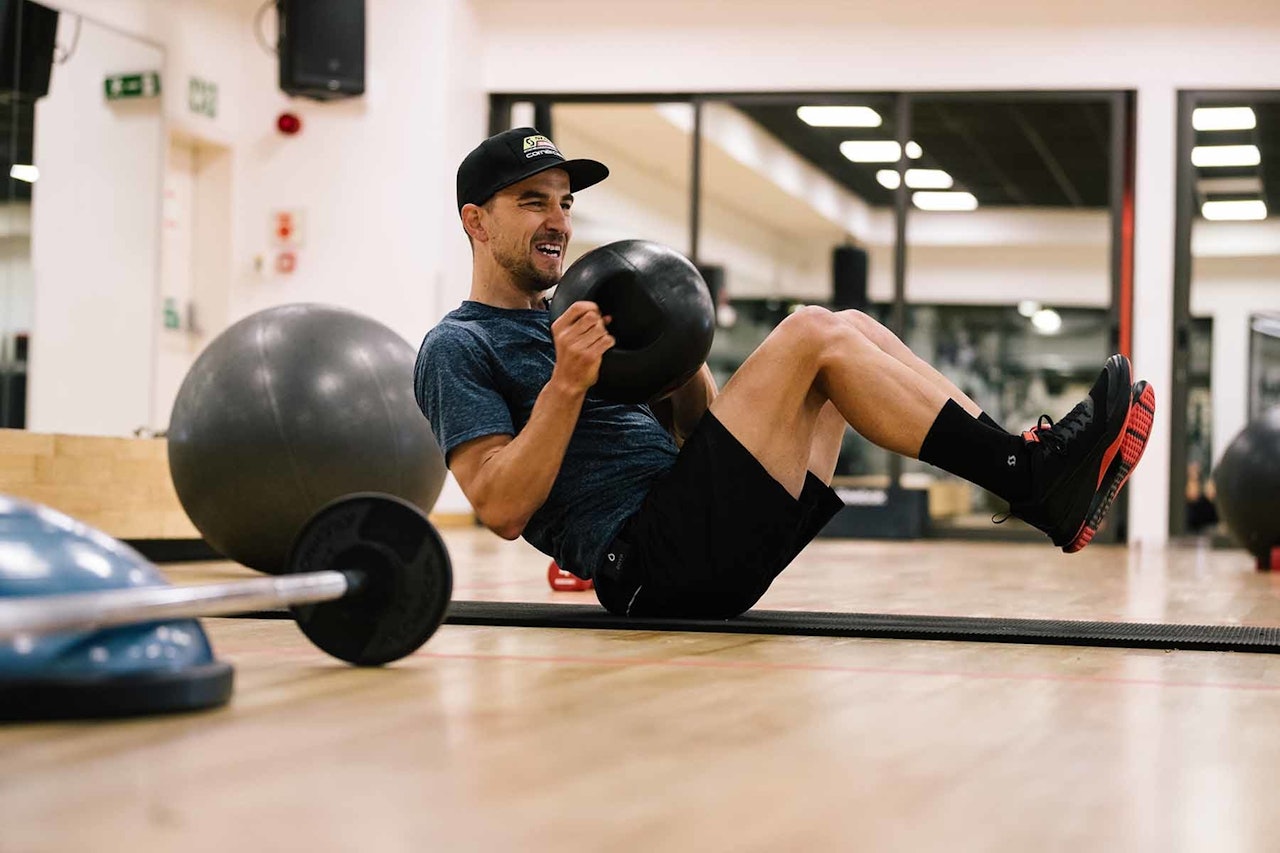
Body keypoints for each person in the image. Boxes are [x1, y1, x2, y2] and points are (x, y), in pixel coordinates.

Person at [414, 127, 1157, 619]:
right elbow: (501, 508)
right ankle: (1029, 476)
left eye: (566, 202)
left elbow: (705, 437)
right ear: (476, 221)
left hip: (700, 533)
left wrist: (677, 360)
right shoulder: (457, 347)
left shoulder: (579, 317)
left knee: (845, 330)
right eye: (532, 201)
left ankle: (1028, 469)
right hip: (646, 560)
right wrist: (566, 385)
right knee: (810, 334)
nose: (559, 220)